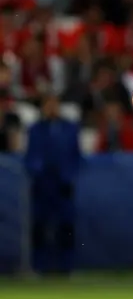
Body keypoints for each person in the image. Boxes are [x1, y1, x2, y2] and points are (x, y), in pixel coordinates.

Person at [25, 95, 81, 275]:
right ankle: (39, 267)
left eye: (54, 104)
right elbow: (30, 156)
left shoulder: (70, 128)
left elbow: (76, 156)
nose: (51, 108)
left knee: (66, 226)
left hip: (63, 185)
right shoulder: (35, 129)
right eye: (47, 105)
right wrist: (37, 171)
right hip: (42, 185)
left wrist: (69, 176)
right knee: (39, 226)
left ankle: (66, 268)